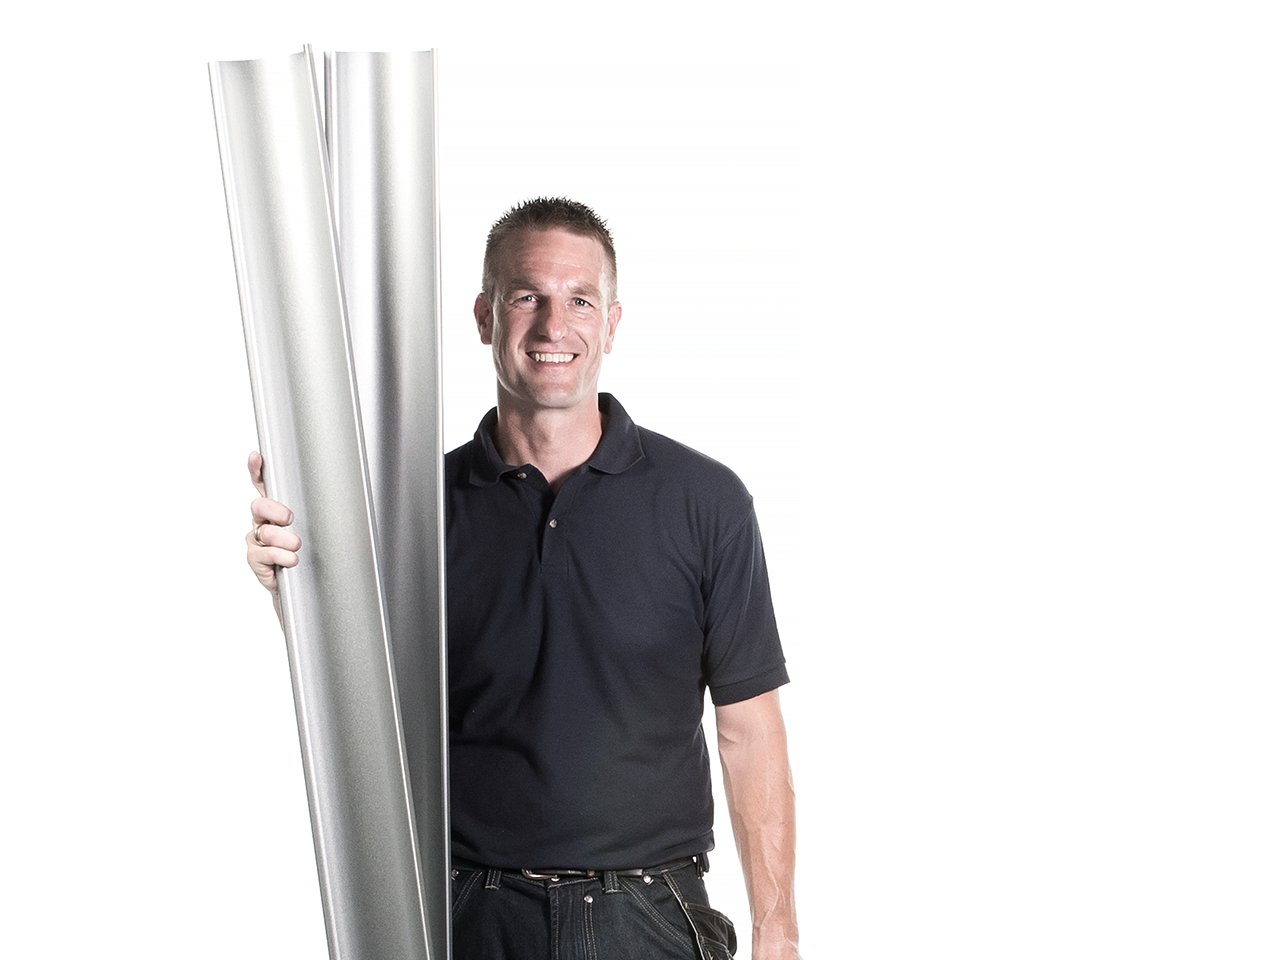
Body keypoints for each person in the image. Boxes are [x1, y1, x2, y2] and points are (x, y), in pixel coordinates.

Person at [246, 198, 802, 960]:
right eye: (526, 298)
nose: (553, 326)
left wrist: (779, 932)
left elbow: (749, 731)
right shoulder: (411, 511)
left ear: (611, 324)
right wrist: (300, 592)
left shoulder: (705, 503)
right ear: (485, 316)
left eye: (580, 301)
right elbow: (365, 701)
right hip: (471, 914)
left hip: (649, 916)